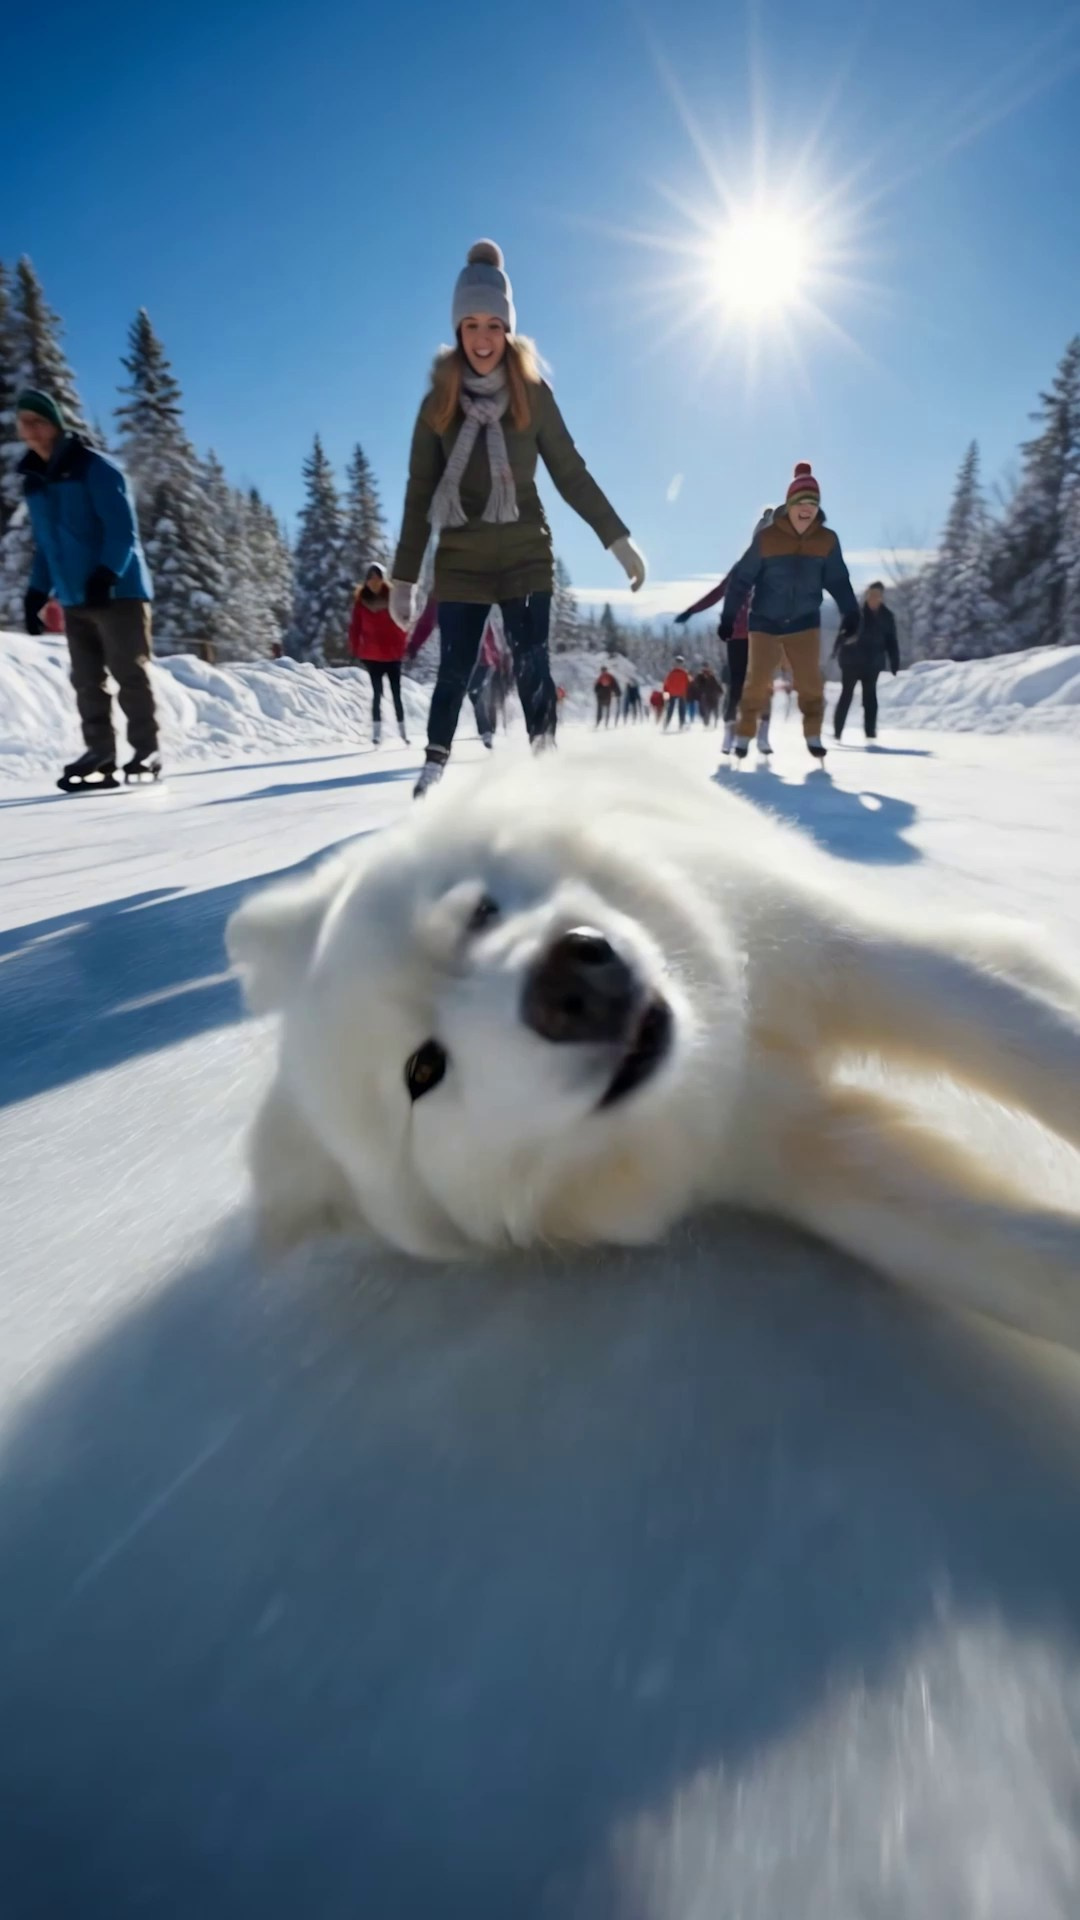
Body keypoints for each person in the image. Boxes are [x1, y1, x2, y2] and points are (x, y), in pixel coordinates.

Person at [390, 240, 646, 797]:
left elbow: (571, 473)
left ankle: (545, 770)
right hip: (460, 556)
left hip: (526, 552)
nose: (482, 339)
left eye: (493, 325)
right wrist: (405, 575)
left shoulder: (532, 394)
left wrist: (617, 539)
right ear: (457, 329)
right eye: (471, 325)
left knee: (532, 659)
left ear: (508, 329)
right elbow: (418, 492)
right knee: (455, 668)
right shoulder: (439, 402)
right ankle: (432, 769)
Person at [16, 387, 158, 790]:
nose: (29, 430)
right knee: (86, 680)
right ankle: (101, 754)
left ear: (55, 425)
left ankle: (146, 750)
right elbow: (47, 545)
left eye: (37, 421)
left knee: (130, 672)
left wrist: (106, 574)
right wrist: (36, 593)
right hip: (75, 596)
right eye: (23, 423)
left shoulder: (96, 468)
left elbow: (122, 532)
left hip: (119, 591)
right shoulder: (35, 483)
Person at [721, 464, 858, 763]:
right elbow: (742, 578)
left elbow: (837, 579)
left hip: (804, 621)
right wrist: (728, 616)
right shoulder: (768, 538)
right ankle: (744, 734)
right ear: (790, 506)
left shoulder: (826, 540)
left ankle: (813, 734)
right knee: (757, 682)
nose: (807, 510)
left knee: (810, 681)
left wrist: (851, 611)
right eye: (801, 503)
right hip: (765, 621)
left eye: (813, 504)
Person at [676, 508, 774, 757]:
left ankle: (763, 732)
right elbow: (719, 592)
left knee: (763, 685)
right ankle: (730, 731)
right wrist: (692, 610)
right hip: (739, 635)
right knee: (737, 685)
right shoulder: (741, 568)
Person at [347, 563, 410, 746]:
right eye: (371, 579)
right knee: (377, 694)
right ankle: (376, 734)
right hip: (372, 655)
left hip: (392, 655)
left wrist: (402, 644)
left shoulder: (392, 599)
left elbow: (402, 624)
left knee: (396, 694)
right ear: (366, 581)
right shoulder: (361, 602)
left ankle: (403, 733)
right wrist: (355, 647)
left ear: (383, 580)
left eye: (377, 578)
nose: (374, 582)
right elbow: (355, 627)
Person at [833, 581, 900, 742]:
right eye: (871, 594)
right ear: (867, 594)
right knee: (846, 695)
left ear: (882, 597)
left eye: (877, 595)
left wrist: (894, 661)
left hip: (873, 662)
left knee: (870, 697)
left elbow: (891, 640)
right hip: (851, 661)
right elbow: (842, 634)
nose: (873, 598)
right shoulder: (855, 613)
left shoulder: (887, 617)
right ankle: (837, 731)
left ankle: (870, 732)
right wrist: (838, 647)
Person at [662, 655, 691, 729]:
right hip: (681, 693)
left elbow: (666, 684)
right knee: (681, 708)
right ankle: (681, 723)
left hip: (673, 693)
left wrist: (665, 696)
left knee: (671, 708)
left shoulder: (672, 673)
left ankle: (667, 723)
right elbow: (688, 683)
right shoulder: (684, 673)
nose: (679, 665)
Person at [695, 663, 722, 728]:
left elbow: (716, 684)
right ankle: (706, 721)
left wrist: (720, 690)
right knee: (706, 709)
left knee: (713, 709)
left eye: (706, 667)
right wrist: (701, 690)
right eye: (704, 667)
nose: (705, 668)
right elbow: (697, 684)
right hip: (705, 694)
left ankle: (715, 721)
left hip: (712, 694)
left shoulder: (711, 676)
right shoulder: (700, 676)